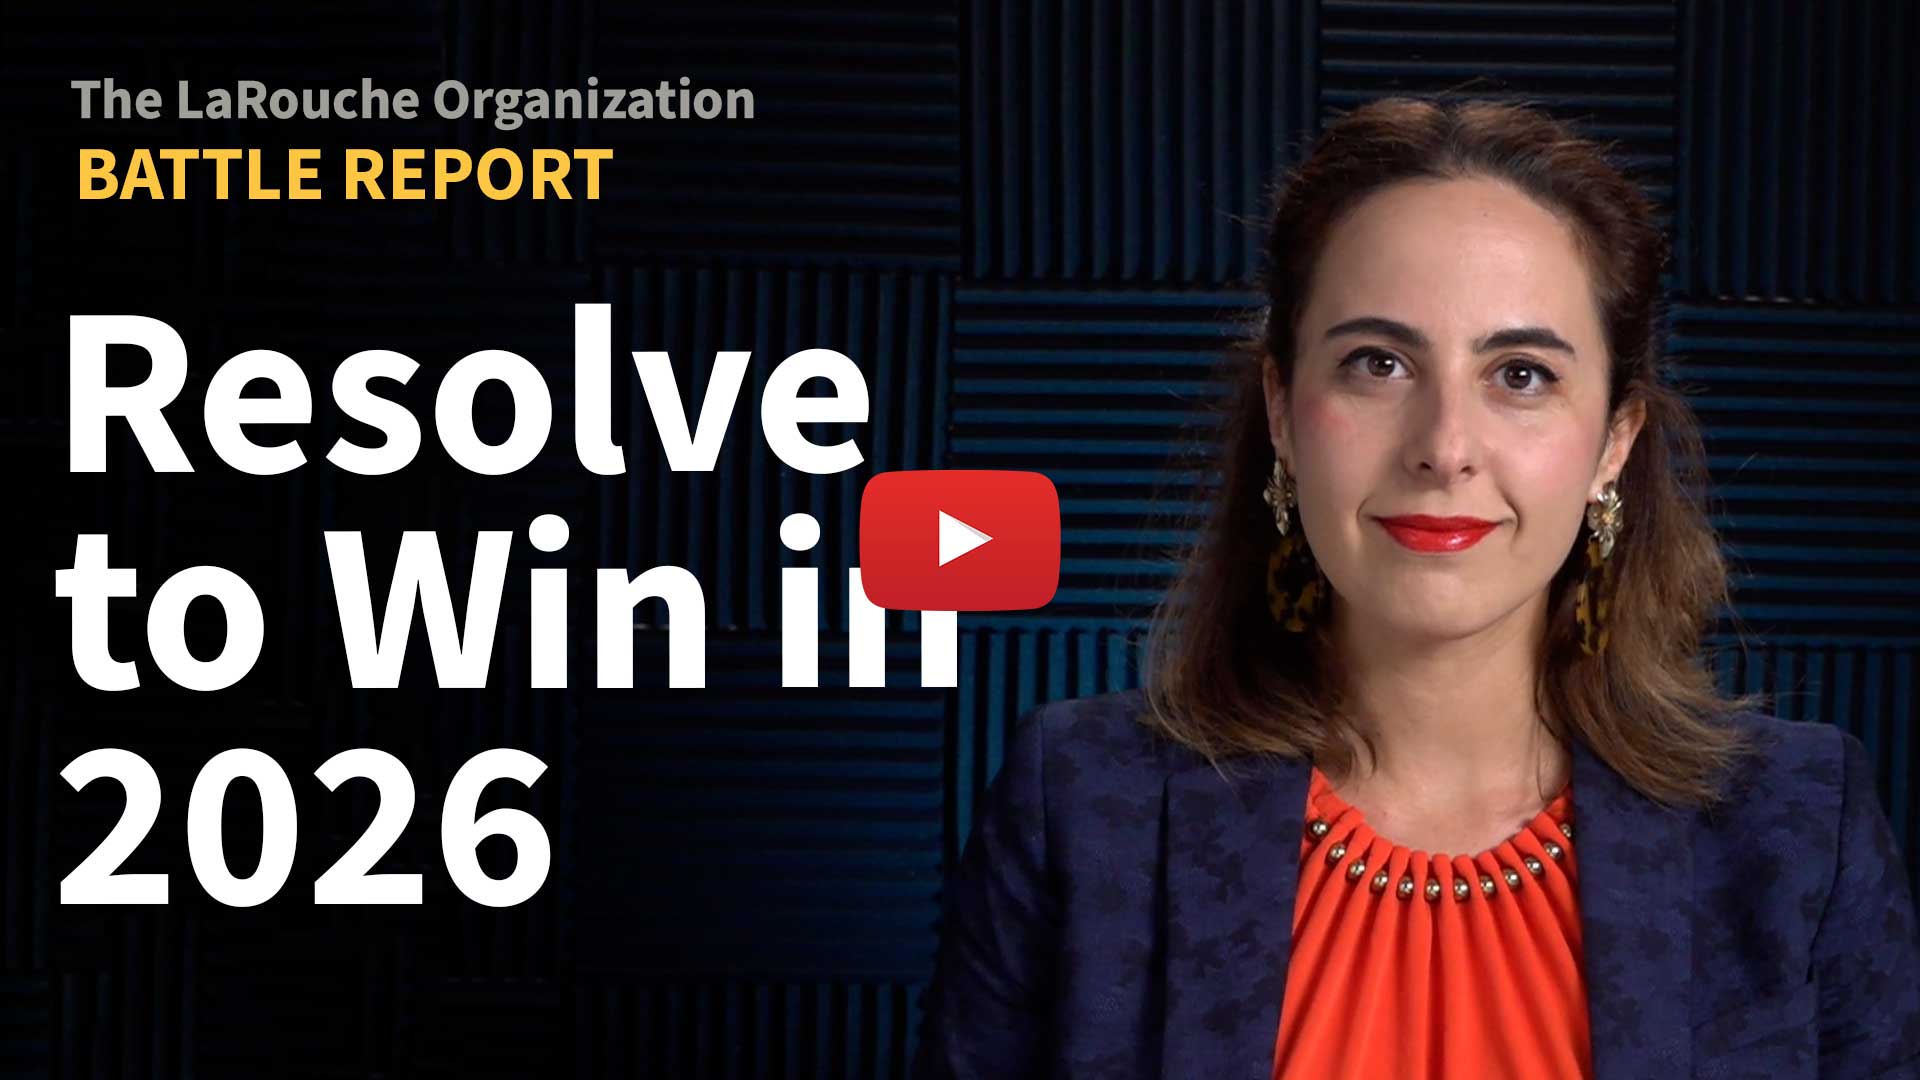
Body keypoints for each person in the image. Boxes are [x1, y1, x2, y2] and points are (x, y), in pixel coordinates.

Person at [910, 96, 1920, 1079]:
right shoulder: (1080, 807)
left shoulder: (1797, 831)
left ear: (1615, 440)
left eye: (1520, 374)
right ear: (1281, 409)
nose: (1444, 447)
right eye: (1379, 363)